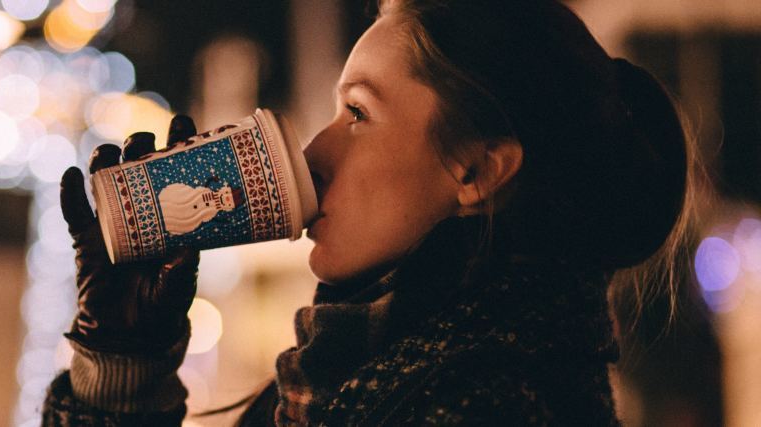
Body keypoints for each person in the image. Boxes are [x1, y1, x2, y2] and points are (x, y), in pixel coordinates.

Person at [43, 0, 703, 424]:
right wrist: (122, 366)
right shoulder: (351, 377)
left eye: (358, 113)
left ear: (475, 168)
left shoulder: (485, 407)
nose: (313, 151)